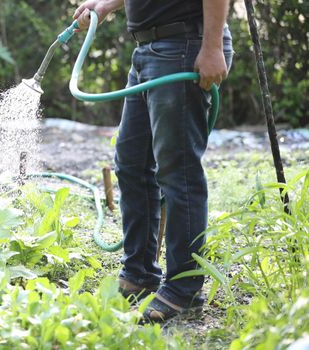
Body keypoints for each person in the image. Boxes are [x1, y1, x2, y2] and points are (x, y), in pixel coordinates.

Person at [73, 0, 233, 322]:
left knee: (178, 172)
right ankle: (139, 274)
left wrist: (212, 46)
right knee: (131, 164)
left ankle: (182, 290)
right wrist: (106, 6)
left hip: (184, 44)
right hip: (148, 50)